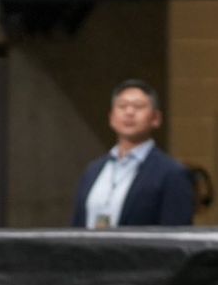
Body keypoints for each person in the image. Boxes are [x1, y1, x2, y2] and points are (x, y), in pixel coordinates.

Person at [72, 79, 195, 228]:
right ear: (111, 118)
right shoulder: (93, 170)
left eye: (138, 106)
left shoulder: (172, 173)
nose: (129, 112)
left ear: (156, 118)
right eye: (122, 106)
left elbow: (176, 237)